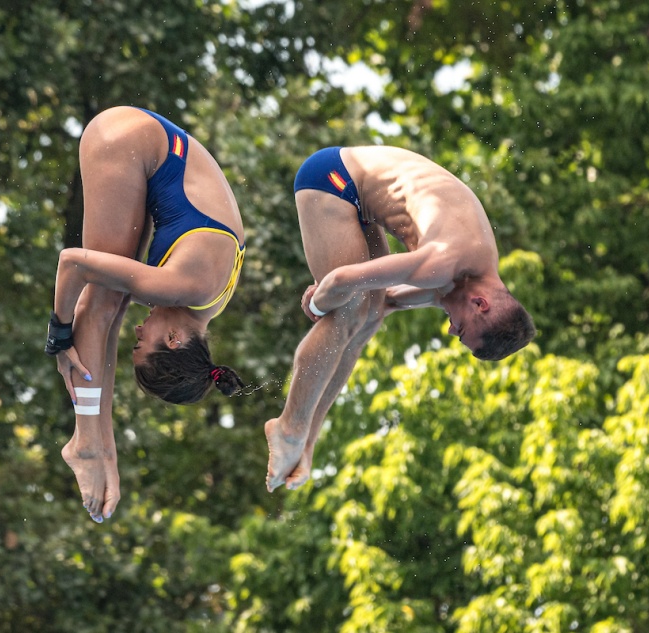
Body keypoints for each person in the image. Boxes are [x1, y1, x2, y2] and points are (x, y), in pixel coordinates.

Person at [265, 146, 535, 493]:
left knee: (369, 317)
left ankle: (308, 441)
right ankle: (288, 428)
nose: (450, 327)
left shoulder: (474, 277)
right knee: (347, 312)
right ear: (480, 304)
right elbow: (340, 282)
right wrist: (317, 306)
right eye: (461, 328)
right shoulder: (444, 263)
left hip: (361, 201)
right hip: (333, 178)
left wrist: (337, 301)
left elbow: (387, 302)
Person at [45, 106, 246, 523]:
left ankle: (99, 446)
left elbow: (108, 324)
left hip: (152, 146)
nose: (139, 329)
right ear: (173, 341)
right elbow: (72, 265)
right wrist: (59, 334)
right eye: (143, 341)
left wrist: (109, 448)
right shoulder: (185, 287)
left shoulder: (203, 305)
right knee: (102, 304)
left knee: (110, 306)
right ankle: (86, 442)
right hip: (124, 139)